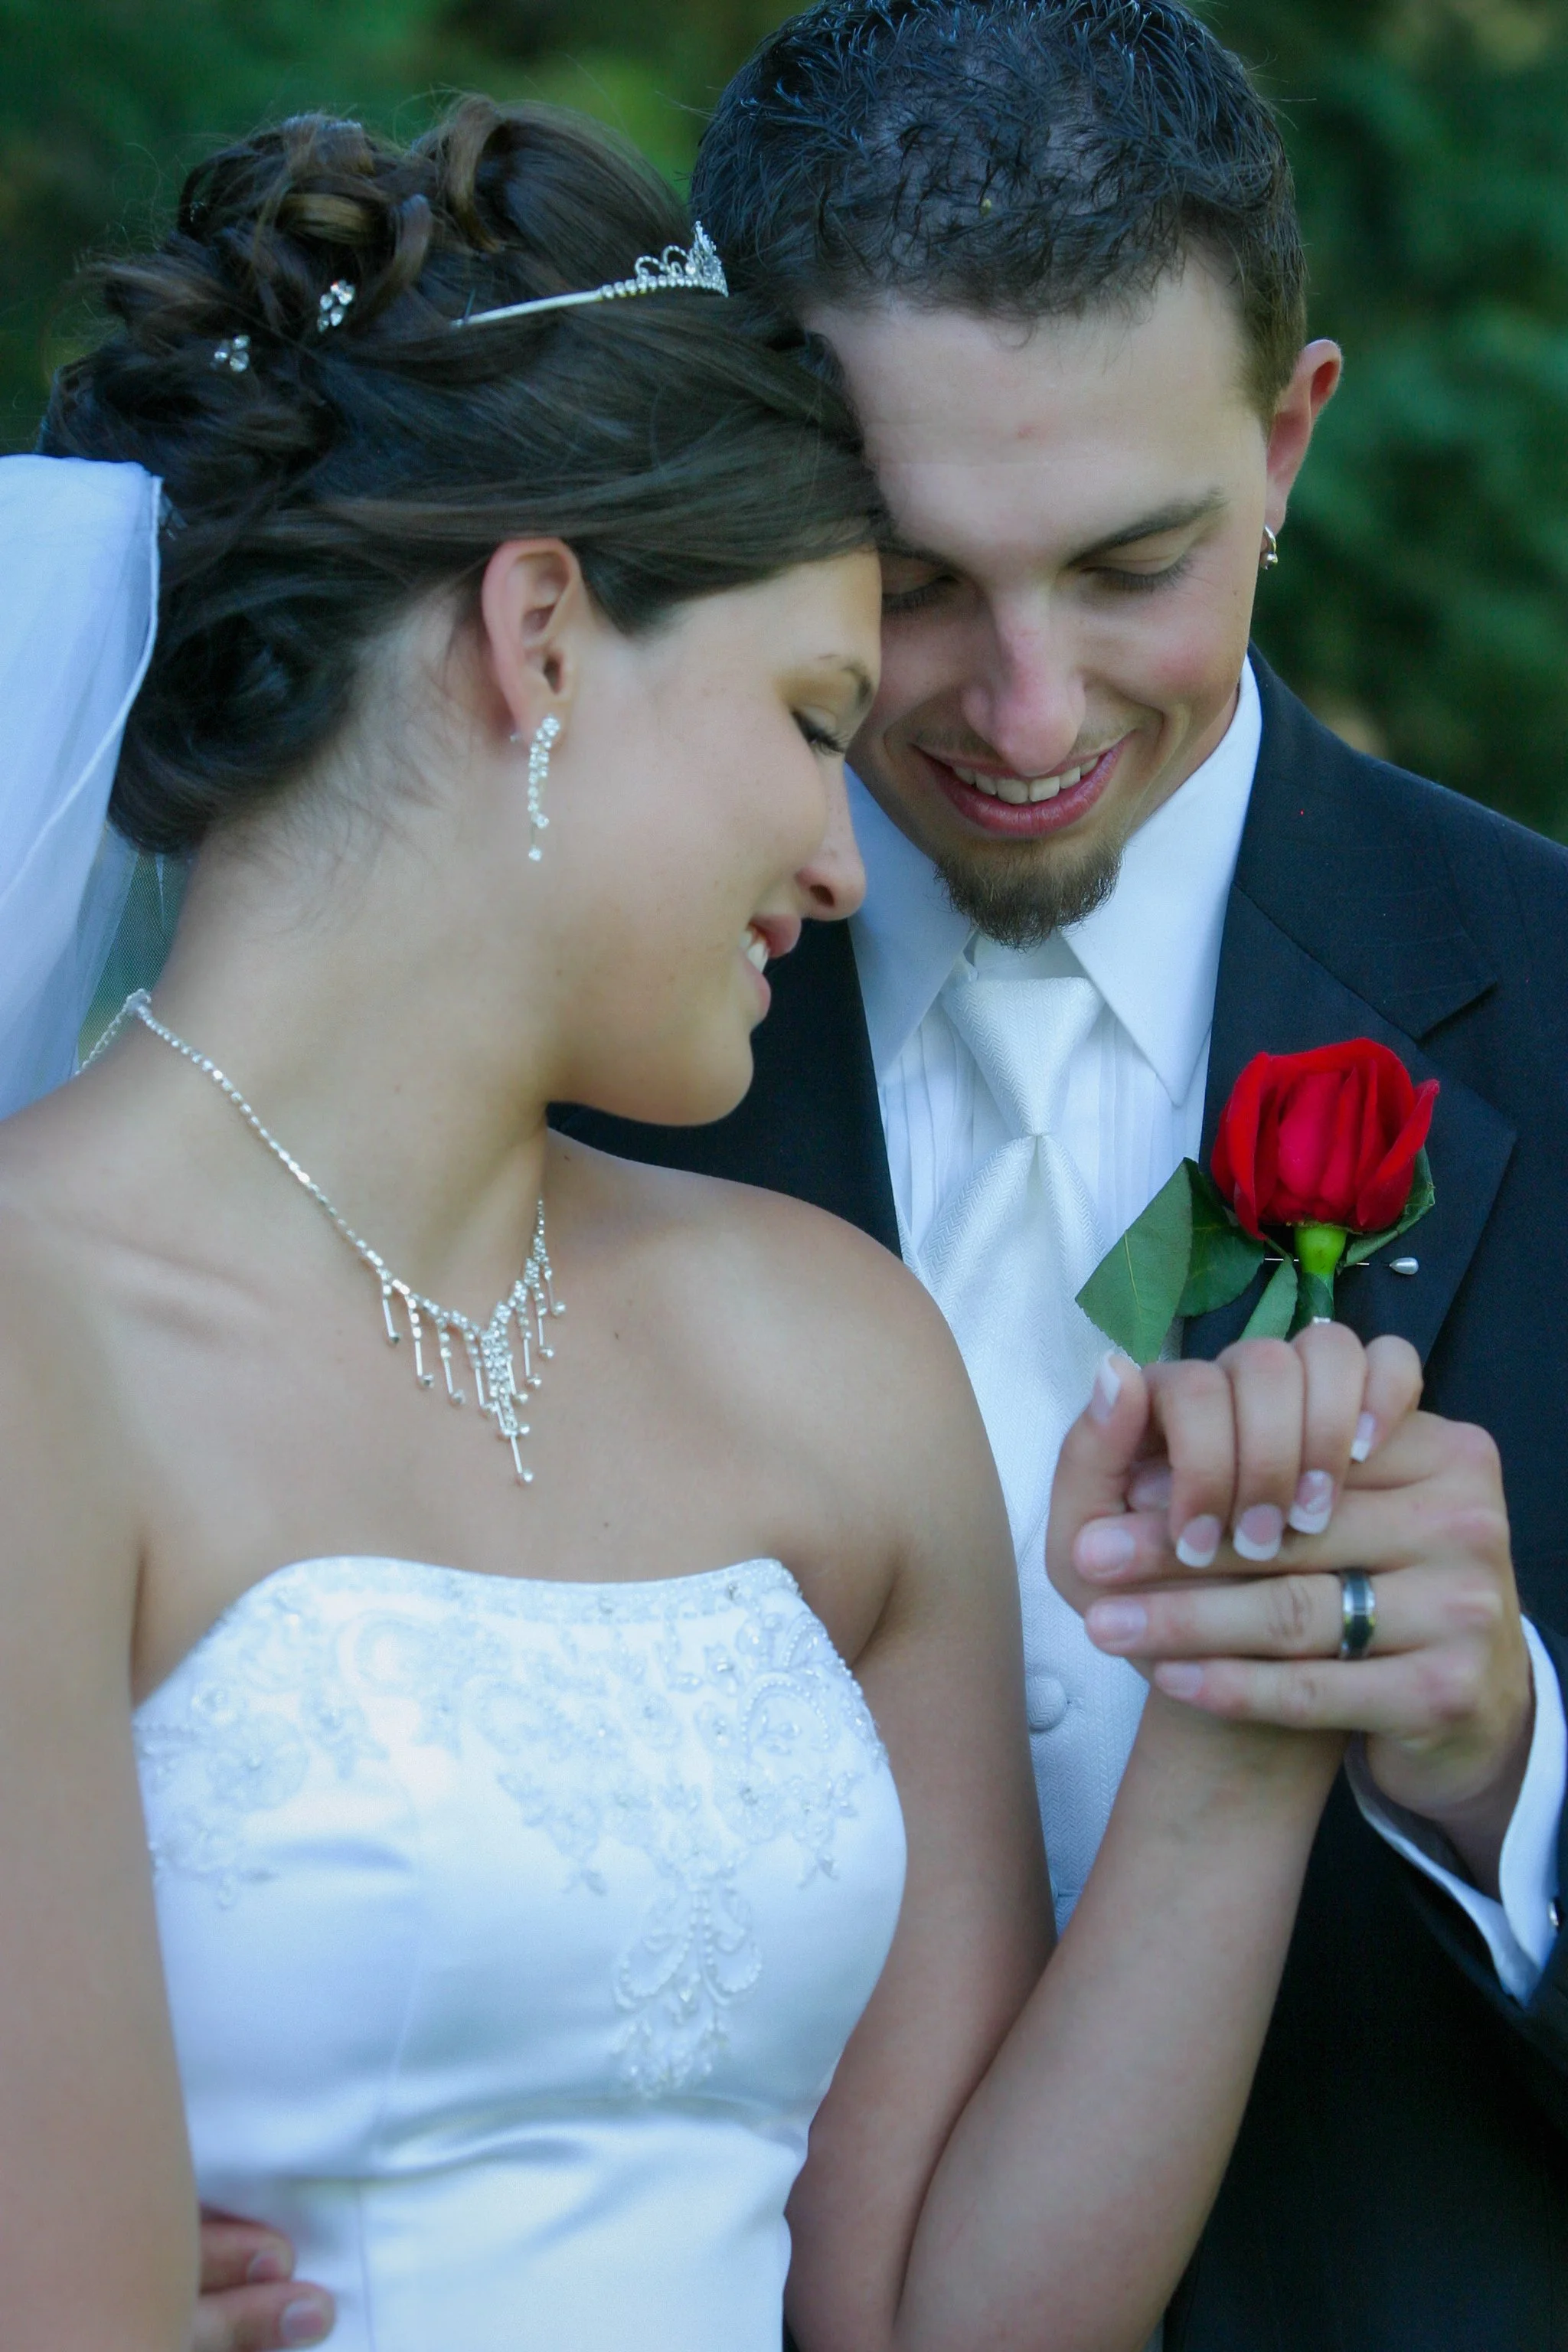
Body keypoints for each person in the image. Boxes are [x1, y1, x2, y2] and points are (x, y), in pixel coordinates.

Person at [2, 92, 1507, 2352]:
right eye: (821, 711)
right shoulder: (41, 1337)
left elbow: (930, 2318)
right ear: (541, 635)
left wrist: (1245, 1698)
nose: (848, 845)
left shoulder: (826, 1338)